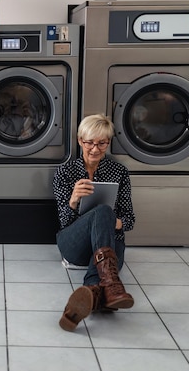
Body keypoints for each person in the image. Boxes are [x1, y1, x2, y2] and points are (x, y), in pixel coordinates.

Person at [53, 113, 135, 331]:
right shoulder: (65, 172)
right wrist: (73, 200)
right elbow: (64, 223)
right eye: (89, 142)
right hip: (74, 244)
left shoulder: (119, 173)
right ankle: (111, 284)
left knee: (105, 215)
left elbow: (129, 220)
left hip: (109, 243)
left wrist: (110, 223)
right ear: (80, 140)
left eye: (102, 143)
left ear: (108, 142)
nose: (95, 149)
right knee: (103, 211)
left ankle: (93, 292)